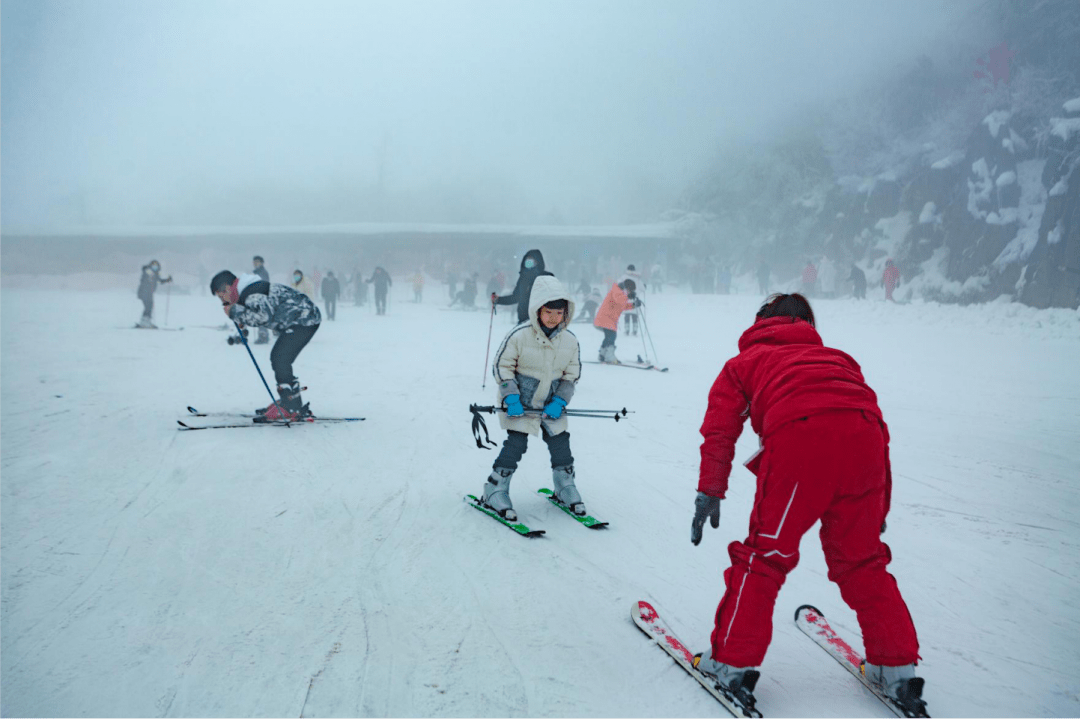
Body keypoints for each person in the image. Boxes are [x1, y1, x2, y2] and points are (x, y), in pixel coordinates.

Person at [690, 293, 924, 715]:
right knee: (863, 560)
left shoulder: (744, 362)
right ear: (809, 325)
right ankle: (896, 669)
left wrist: (711, 489)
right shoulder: (840, 359)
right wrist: (878, 507)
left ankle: (731, 663)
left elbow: (720, 431)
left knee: (766, 556)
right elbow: (869, 420)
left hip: (800, 442)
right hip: (867, 449)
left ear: (761, 321)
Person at [481, 275, 583, 520]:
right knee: (516, 444)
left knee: (561, 443)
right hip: (521, 404)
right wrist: (511, 398)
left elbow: (571, 375)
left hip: (551, 405)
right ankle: (495, 488)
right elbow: (502, 367)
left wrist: (560, 401)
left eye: (559, 313)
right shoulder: (519, 335)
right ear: (538, 309)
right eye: (548, 311)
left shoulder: (569, 341)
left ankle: (565, 485)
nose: (553, 318)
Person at [210, 269, 322, 420]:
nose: (222, 301)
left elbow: (262, 316)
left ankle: (290, 405)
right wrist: (242, 318)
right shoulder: (249, 290)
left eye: (220, 296)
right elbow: (260, 311)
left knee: (280, 357)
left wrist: (235, 312)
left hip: (303, 319)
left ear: (227, 288)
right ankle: (290, 401)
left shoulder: (251, 292)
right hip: (303, 318)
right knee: (281, 357)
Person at [493, 249, 553, 324]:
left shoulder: (547, 277)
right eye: (527, 259)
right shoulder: (523, 278)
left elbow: (553, 298)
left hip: (541, 322)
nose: (529, 261)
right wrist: (498, 300)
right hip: (523, 321)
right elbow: (516, 297)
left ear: (538, 261)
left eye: (531, 259)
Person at [593, 279, 638, 363]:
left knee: (608, 337)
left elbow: (622, 305)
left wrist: (633, 305)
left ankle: (602, 355)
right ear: (627, 288)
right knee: (612, 336)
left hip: (609, 318)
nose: (629, 292)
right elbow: (620, 300)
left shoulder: (620, 292)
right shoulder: (616, 290)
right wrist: (628, 296)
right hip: (606, 317)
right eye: (630, 290)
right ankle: (609, 356)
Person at [136, 260, 172, 328]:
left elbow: (159, 281)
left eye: (156, 266)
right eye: (153, 266)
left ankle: (145, 321)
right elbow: (146, 276)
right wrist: (151, 278)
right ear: (151, 266)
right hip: (144, 292)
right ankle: (145, 321)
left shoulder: (155, 273)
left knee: (149, 306)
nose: (155, 267)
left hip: (149, 293)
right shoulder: (148, 271)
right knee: (148, 306)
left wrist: (167, 280)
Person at [252, 256, 271, 343]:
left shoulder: (262, 272)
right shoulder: (258, 272)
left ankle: (263, 336)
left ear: (261, 263)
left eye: (257, 262)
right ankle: (263, 335)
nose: (255, 263)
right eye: (254, 262)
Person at [621, 264, 643, 335]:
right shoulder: (638, 278)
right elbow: (643, 288)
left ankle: (627, 330)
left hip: (626, 299)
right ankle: (635, 330)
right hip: (635, 299)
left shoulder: (623, 277)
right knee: (634, 315)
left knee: (627, 315)